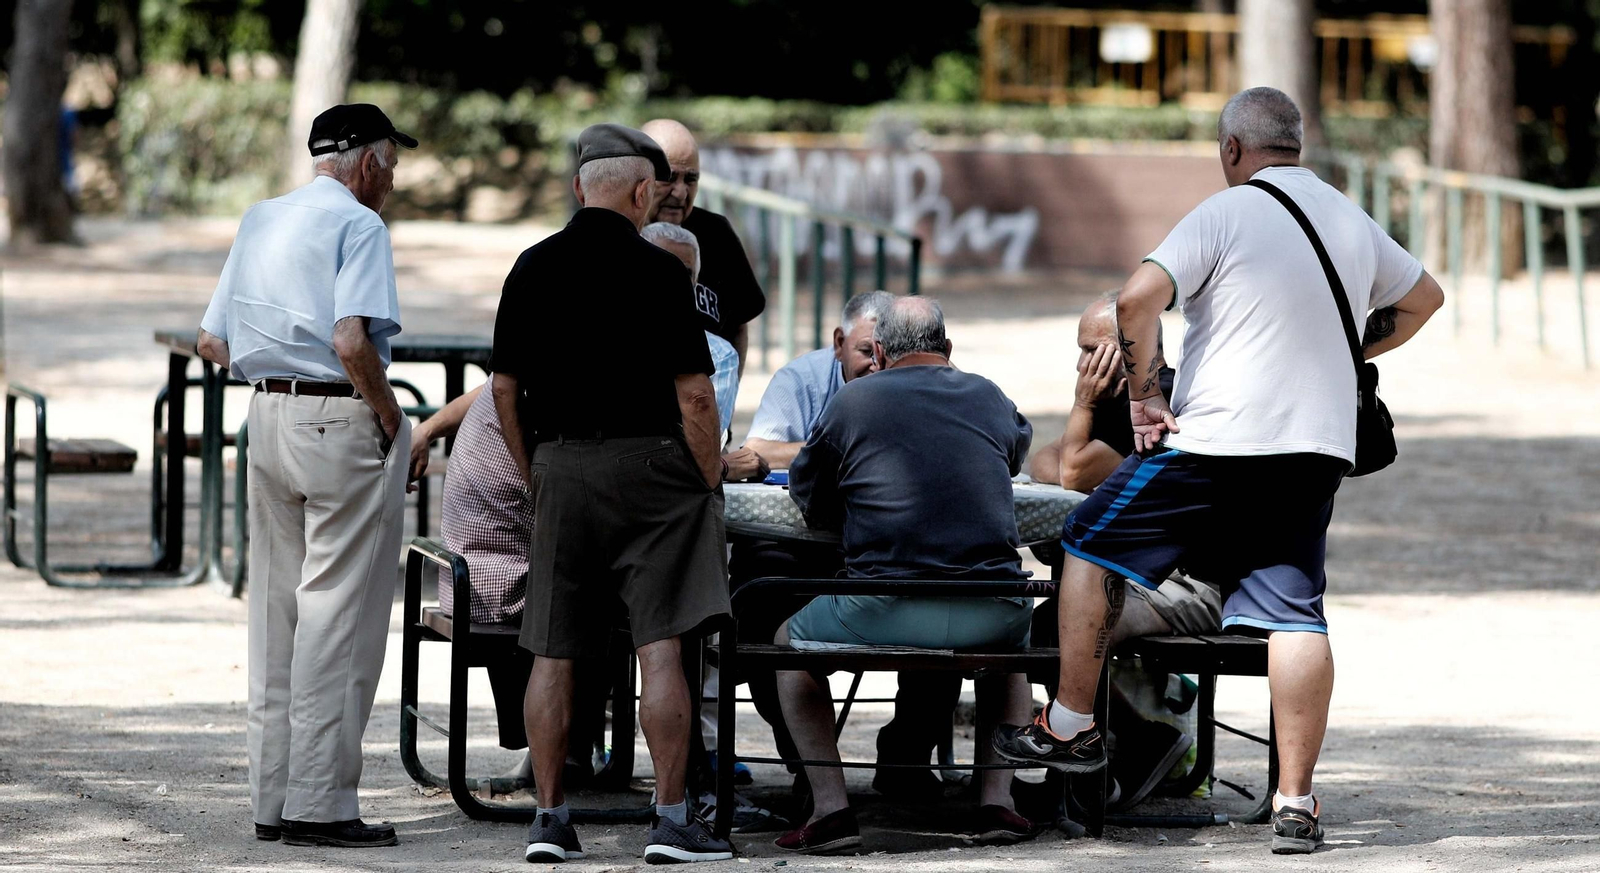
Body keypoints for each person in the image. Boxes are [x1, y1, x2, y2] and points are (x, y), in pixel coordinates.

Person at [992, 87, 1444, 855]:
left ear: (1233, 149)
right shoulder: (1346, 216)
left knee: (1088, 537)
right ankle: (1295, 803)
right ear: (1296, 143)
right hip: (1316, 446)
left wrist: (1142, 395)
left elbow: (1136, 300)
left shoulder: (1225, 211)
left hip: (1219, 442)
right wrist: (1346, 353)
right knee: (1295, 611)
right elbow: (1424, 299)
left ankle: (1068, 724)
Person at [488, 122, 734, 865]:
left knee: (552, 648)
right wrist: (709, 477)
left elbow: (502, 388)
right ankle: (669, 820)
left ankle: (551, 820)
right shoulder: (661, 273)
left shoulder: (530, 266)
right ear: (640, 193)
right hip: (653, 470)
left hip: (561, 464)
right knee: (662, 645)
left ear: (576, 191)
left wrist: (537, 468)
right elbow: (695, 395)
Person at [196, 103, 418, 848]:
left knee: (275, 610)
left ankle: (271, 797)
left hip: (266, 417)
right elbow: (352, 338)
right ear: (363, 163)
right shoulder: (360, 226)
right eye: (389, 163)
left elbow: (210, 339)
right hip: (338, 418)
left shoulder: (262, 217)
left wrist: (277, 367)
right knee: (337, 614)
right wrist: (388, 414)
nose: (391, 179)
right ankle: (320, 802)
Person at [774, 297, 1039, 853]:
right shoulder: (989, 394)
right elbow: (1014, 455)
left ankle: (831, 810)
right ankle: (998, 802)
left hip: (883, 606)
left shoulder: (853, 400)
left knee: (786, 649)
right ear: (948, 349)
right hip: (991, 609)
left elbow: (811, 495)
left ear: (882, 353)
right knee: (1010, 658)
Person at [1027, 292, 1222, 811]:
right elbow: (1045, 459)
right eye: (1080, 350)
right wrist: (1084, 425)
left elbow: (1071, 470)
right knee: (1053, 618)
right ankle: (1102, 758)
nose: (1082, 365)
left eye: (1094, 350)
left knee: (1055, 626)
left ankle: (1136, 744)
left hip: (1193, 585)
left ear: (1132, 349)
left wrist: (1082, 407)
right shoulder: (1122, 405)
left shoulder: (1168, 407)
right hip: (1146, 579)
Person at [641, 119, 765, 373]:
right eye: (669, 177)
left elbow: (738, 325)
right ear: (640, 176)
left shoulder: (716, 234)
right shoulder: (613, 231)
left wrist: (728, 395)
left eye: (691, 179)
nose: (680, 192)